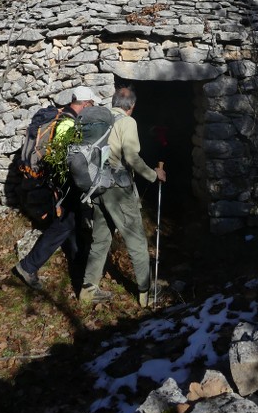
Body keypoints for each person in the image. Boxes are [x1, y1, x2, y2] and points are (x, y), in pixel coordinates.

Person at [80, 86, 166, 307]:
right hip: (117, 188)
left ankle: (88, 289)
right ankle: (146, 293)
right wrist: (152, 175)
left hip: (97, 185)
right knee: (136, 239)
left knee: (100, 239)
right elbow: (131, 156)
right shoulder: (127, 122)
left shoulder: (102, 119)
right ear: (132, 106)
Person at [12, 85, 102, 290]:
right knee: (64, 224)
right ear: (85, 104)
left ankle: (78, 262)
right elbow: (64, 160)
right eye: (91, 104)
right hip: (62, 186)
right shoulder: (67, 124)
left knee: (72, 222)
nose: (92, 107)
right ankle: (28, 265)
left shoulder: (61, 117)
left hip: (60, 185)